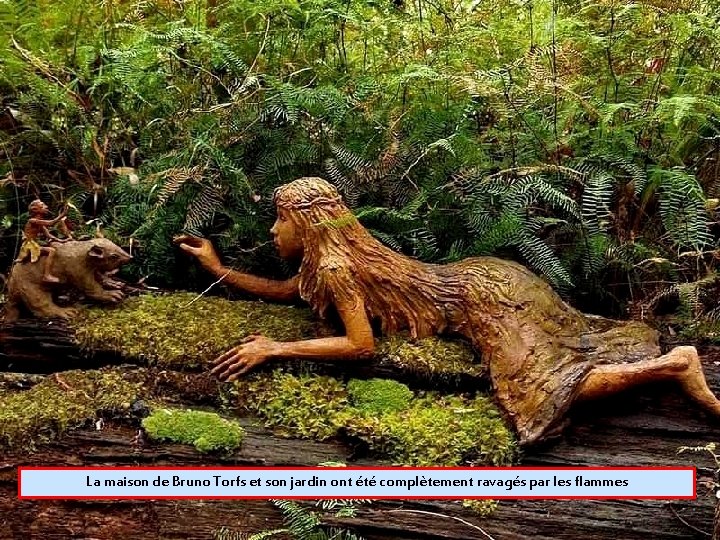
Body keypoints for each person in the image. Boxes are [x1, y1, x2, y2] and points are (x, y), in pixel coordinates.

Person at [175, 177, 720, 445]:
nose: (274, 231)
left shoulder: (339, 268)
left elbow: (360, 346)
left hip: (483, 295)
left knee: (542, 386)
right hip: (483, 278)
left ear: (308, 224)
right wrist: (216, 267)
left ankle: (673, 364)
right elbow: (285, 290)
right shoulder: (330, 261)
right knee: (571, 345)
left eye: (281, 222)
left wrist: (276, 348)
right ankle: (669, 362)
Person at [15, 200, 71, 283]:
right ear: (35, 210)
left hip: (34, 244)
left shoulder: (40, 224)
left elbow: (49, 235)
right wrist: (62, 214)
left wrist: (62, 241)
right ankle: (46, 275)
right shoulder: (33, 221)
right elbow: (51, 223)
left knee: (53, 244)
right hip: (29, 246)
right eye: (43, 206)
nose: (46, 207)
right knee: (52, 251)